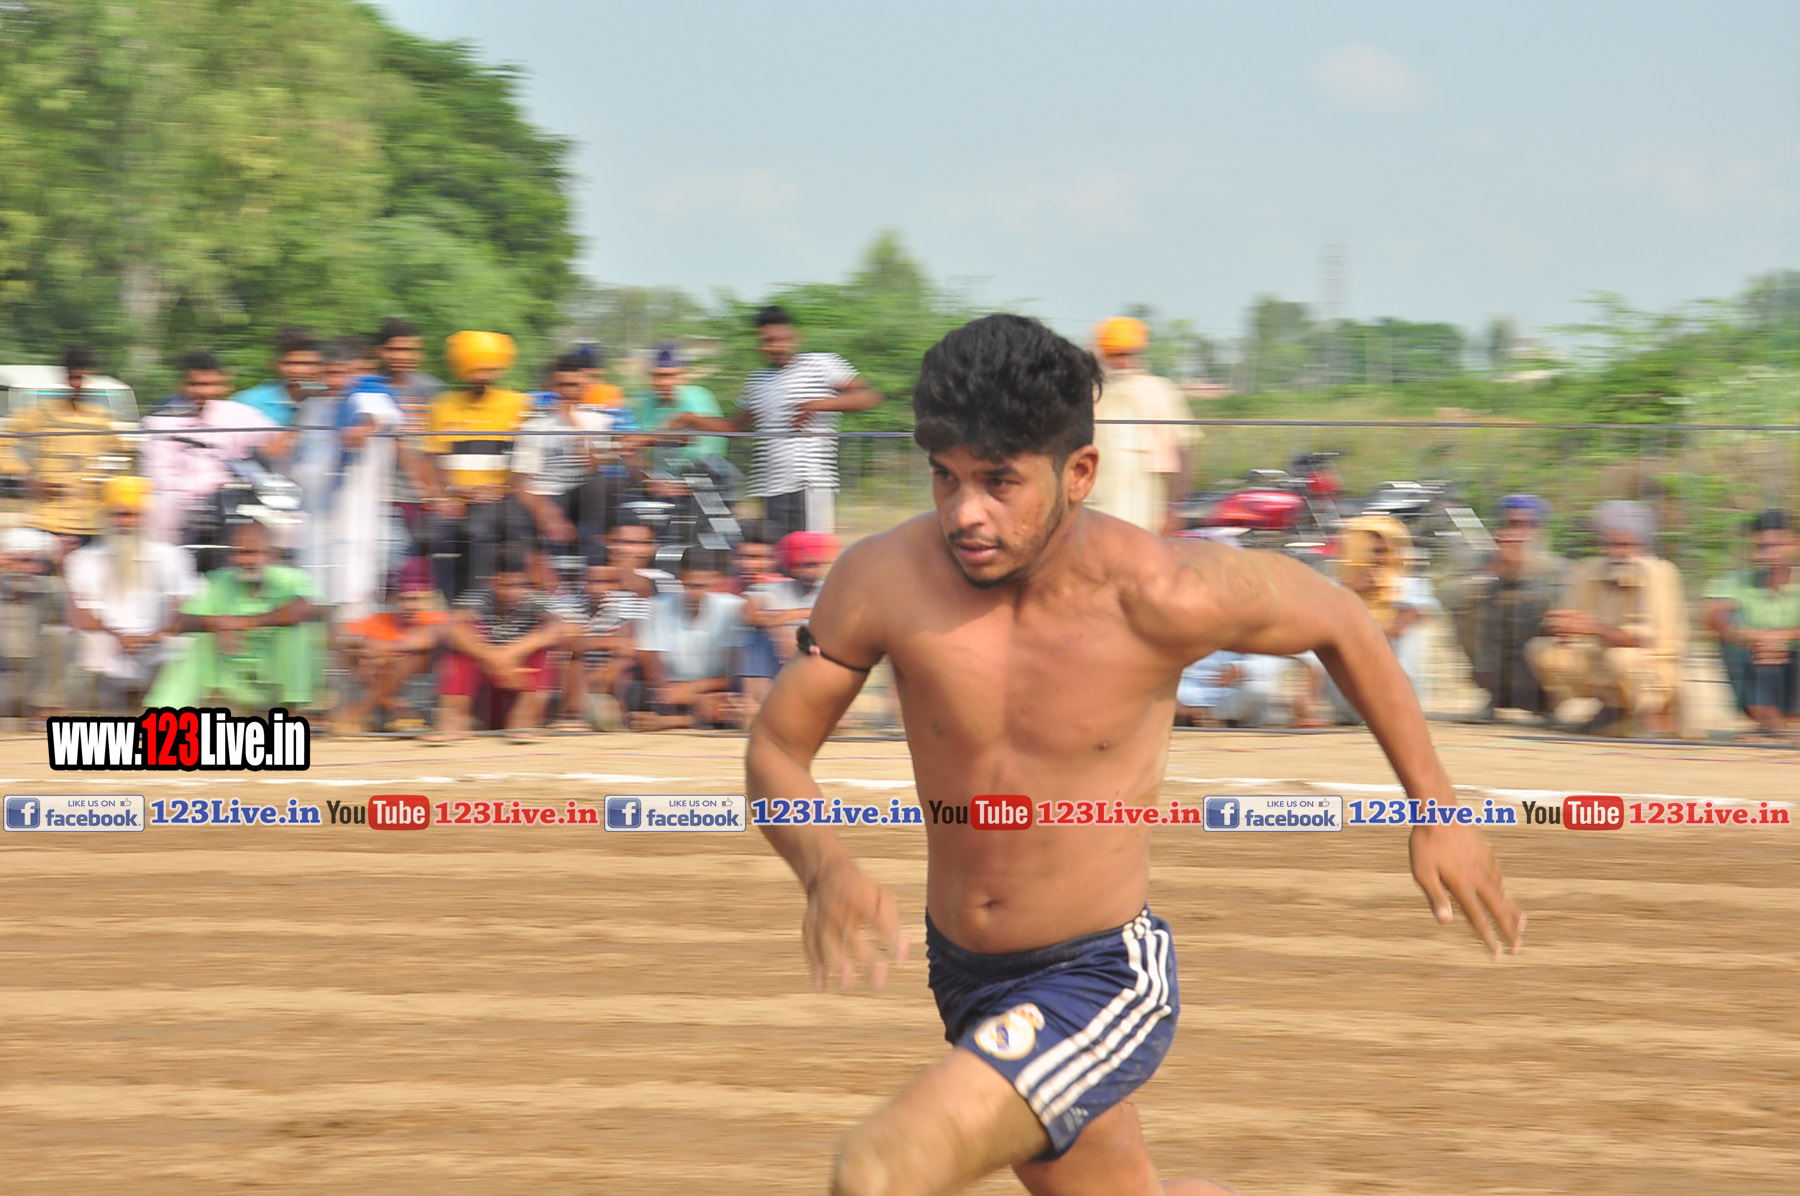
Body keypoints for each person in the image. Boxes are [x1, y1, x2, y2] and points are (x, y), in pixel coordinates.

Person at [745, 314, 1522, 1196]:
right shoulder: (881, 578)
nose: (965, 513)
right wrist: (824, 865)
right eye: (945, 477)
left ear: (1079, 473)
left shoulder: (1165, 591)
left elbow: (1342, 619)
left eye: (999, 482)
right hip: (964, 974)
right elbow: (778, 748)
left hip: (1099, 977)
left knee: (880, 1170)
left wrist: (1438, 810)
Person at [669, 305, 881, 540]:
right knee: (777, 555)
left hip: (809, 485)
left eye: (779, 340)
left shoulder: (822, 364)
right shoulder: (758, 381)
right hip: (769, 487)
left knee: (809, 552)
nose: (774, 347)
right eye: (766, 341)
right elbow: (734, 427)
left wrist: (816, 405)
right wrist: (693, 419)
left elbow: (868, 396)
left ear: (795, 338)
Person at [1527, 500, 1686, 737]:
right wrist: (1562, 628)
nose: (1618, 553)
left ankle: (1654, 717)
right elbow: (1569, 623)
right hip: (1599, 656)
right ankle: (1611, 709)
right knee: (1544, 651)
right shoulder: (1587, 570)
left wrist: (1594, 629)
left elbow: (1648, 640)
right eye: (1611, 545)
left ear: (1644, 545)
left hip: (1653, 666)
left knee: (1622, 659)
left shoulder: (1659, 572)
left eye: (1626, 545)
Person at [146, 519, 324, 712]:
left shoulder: (290, 579)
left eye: (253, 553)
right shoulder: (219, 581)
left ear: (270, 554)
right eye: (240, 553)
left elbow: (308, 608)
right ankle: (167, 712)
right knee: (196, 638)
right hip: (230, 674)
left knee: (298, 630)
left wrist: (243, 623)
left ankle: (294, 711)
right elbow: (182, 621)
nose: (245, 560)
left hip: (276, 676)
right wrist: (219, 623)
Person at [62, 477, 201, 711]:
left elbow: (182, 609)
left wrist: (153, 637)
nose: (127, 522)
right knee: (82, 642)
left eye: (135, 515)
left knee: (187, 645)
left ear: (147, 518)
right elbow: (81, 616)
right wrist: (121, 637)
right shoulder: (83, 560)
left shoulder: (173, 557)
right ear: (106, 517)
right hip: (106, 652)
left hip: (158, 651)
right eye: (120, 515)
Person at [420, 331, 535, 600]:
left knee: (478, 529)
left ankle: (476, 601)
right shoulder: (442, 406)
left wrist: (500, 490)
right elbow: (432, 462)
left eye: (489, 370)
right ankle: (444, 599)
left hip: (501, 499)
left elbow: (527, 461)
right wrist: (449, 494)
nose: (482, 377)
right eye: (476, 370)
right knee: (423, 534)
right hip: (456, 498)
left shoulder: (518, 404)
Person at [140, 350, 282, 549]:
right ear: (181, 385)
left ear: (223, 384)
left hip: (230, 502)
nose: (203, 392)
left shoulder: (238, 414)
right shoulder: (161, 421)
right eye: (196, 384)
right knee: (159, 509)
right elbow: (158, 476)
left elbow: (278, 441)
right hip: (178, 506)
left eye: (210, 384)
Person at [434, 543, 565, 741]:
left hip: (520, 684)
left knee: (545, 648)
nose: (513, 592)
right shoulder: (477, 600)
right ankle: (453, 719)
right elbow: (448, 629)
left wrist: (508, 654)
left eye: (520, 586)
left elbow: (559, 630)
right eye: (506, 586)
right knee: (462, 641)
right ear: (492, 582)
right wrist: (494, 659)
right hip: (487, 687)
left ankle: (524, 721)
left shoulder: (535, 602)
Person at [0, 345, 127, 548]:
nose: (77, 385)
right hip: (47, 520)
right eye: (73, 378)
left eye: (82, 378)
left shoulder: (100, 418)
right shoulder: (40, 414)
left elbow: (125, 457)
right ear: (65, 378)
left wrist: (108, 483)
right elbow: (4, 443)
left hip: (89, 523)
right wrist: (28, 477)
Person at [1086, 317, 1200, 536]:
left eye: (1129, 354)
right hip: (1097, 519)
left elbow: (1184, 452)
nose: (1123, 362)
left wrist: (1174, 510)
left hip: (1147, 520)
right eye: (1116, 355)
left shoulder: (1162, 392)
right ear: (1102, 356)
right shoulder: (1089, 396)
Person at [1453, 495, 1562, 721]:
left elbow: (1557, 612)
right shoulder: (1485, 564)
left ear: (1539, 530)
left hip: (1535, 658)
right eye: (1510, 524)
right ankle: (1495, 695)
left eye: (1525, 525)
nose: (1516, 533)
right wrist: (1495, 573)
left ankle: (1547, 703)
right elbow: (1456, 596)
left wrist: (1522, 572)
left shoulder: (1556, 569)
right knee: (1466, 602)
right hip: (1493, 661)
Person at [1327, 515, 1441, 723]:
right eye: (1369, 551)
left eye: (1383, 551)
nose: (1376, 559)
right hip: (1346, 701)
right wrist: (1350, 589)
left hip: (1397, 701)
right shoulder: (1333, 587)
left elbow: (1415, 613)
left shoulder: (1411, 585)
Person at [511, 353, 622, 560]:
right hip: (545, 495)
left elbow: (594, 466)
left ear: (585, 386)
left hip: (583, 495)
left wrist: (574, 427)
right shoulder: (535, 426)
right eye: (562, 385)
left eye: (574, 385)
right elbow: (518, 483)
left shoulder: (599, 421)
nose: (568, 391)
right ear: (553, 387)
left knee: (600, 484)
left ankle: (592, 556)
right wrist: (547, 512)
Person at [1703, 509, 1800, 736]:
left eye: (1776, 546)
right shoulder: (1736, 582)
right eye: (1761, 547)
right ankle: (1768, 718)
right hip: (1757, 661)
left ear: (1793, 544)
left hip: (1794, 667)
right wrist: (1753, 639)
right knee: (1729, 637)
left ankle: (1787, 722)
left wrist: (1779, 639)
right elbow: (1714, 617)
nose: (1768, 555)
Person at [632, 546, 746, 731]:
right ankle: (684, 717)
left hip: (715, 691)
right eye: (691, 585)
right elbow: (651, 662)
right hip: (670, 691)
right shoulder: (657, 606)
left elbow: (736, 674)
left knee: (730, 703)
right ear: (681, 579)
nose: (696, 593)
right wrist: (669, 691)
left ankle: (673, 722)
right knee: (637, 693)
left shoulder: (733, 608)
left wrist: (695, 688)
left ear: (716, 581)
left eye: (703, 586)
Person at [337, 561, 448, 733]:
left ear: (428, 599)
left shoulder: (437, 619)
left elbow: (432, 638)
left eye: (416, 599)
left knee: (414, 657)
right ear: (394, 598)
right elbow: (339, 635)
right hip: (375, 684)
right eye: (403, 599)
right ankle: (389, 706)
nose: (410, 606)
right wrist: (365, 644)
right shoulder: (382, 620)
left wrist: (384, 649)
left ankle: (362, 711)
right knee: (359, 655)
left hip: (417, 689)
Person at [0, 526, 70, 726]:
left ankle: (43, 711)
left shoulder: (49, 590)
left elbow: (78, 621)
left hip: (30, 688)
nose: (25, 569)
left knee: (61, 636)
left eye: (33, 562)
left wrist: (61, 568)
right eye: (19, 560)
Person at [627, 343, 728, 474]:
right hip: (663, 477)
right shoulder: (646, 402)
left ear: (683, 377)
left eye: (670, 376)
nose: (663, 383)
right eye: (658, 376)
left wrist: (647, 439)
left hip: (702, 472)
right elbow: (635, 443)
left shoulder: (697, 397)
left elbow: (689, 438)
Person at [231, 327, 322, 427]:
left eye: (308, 364)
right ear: (275, 365)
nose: (298, 370)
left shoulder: (330, 396)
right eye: (289, 363)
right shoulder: (249, 402)